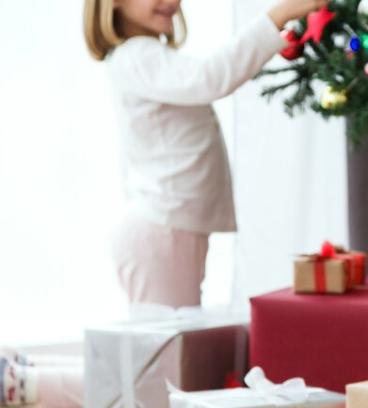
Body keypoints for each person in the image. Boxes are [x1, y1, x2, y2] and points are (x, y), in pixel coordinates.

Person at [84, 0, 326, 306]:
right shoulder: (136, 56)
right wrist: (277, 16)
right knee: (166, 345)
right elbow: (210, 77)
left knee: (174, 340)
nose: (171, 2)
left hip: (171, 225)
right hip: (163, 226)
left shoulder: (147, 56)